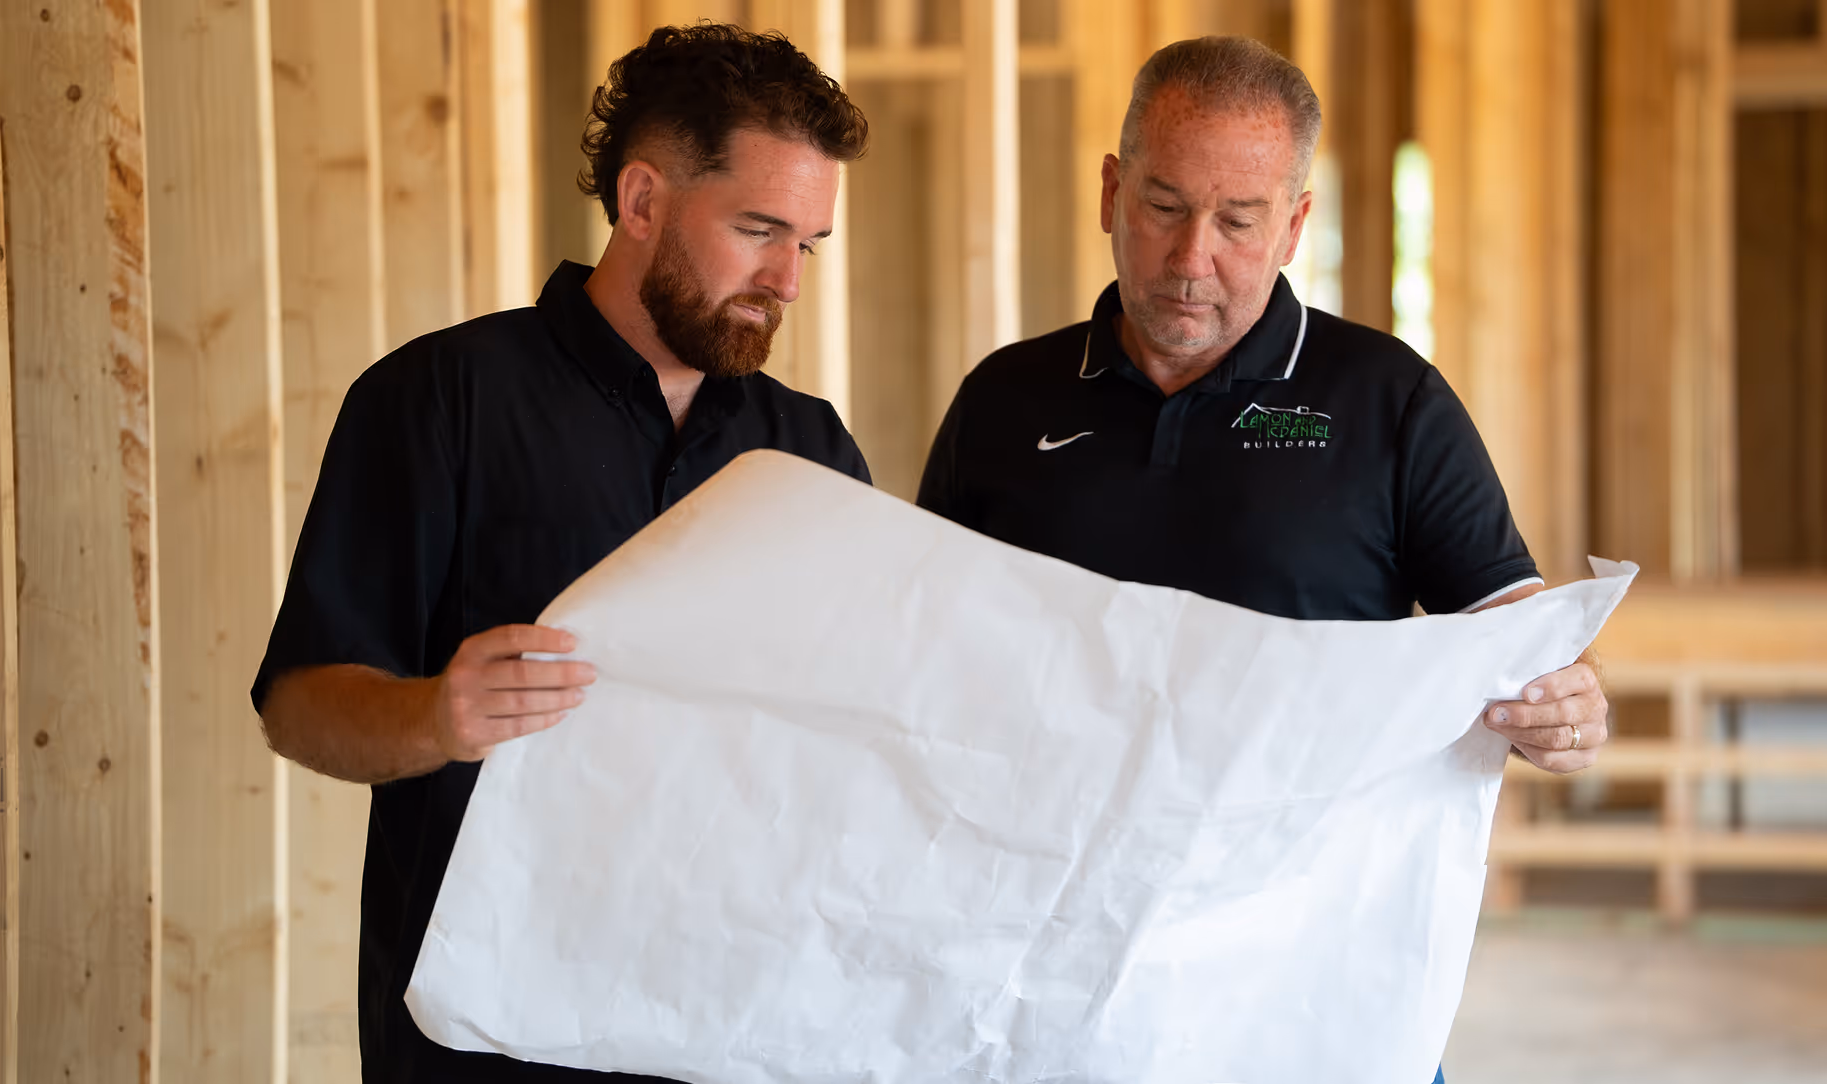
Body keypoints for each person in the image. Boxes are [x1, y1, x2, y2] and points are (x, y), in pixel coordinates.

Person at [916, 38, 1607, 1083]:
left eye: (1238, 221)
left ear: (1292, 225)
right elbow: (923, 653)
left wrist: (1567, 709)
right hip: (1052, 963)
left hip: (1312, 968)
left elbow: (1518, 637)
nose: (1192, 257)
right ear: (1109, 191)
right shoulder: (1004, 403)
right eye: (1161, 206)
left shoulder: (1389, 404)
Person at [253, 25, 868, 1082]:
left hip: (736, 1032)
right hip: (483, 1043)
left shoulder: (809, 449)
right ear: (641, 202)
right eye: (759, 229)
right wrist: (433, 716)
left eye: (806, 243)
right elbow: (298, 703)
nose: (787, 280)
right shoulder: (437, 401)